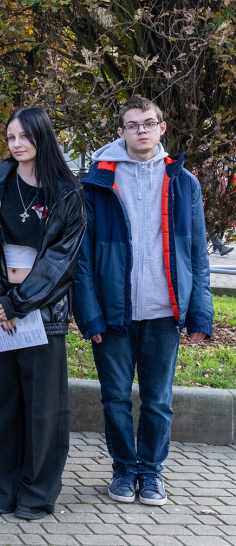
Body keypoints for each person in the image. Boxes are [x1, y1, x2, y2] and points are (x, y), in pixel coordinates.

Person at [74, 96, 214, 506]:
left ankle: (151, 473)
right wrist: (90, 314)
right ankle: (124, 469)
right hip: (113, 312)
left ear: (162, 128)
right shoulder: (97, 182)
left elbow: (197, 254)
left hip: (163, 310)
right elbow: (82, 258)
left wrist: (199, 314)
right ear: (120, 132)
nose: (141, 130)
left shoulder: (184, 182)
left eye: (148, 123)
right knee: (115, 397)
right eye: (132, 125)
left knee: (158, 400)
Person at [0, 106, 85, 520]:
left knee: (42, 408)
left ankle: (36, 493)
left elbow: (61, 261)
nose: (16, 144)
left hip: (41, 311)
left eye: (24, 137)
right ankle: (3, 489)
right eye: (11, 137)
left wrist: (19, 303)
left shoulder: (67, 190)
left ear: (42, 137)